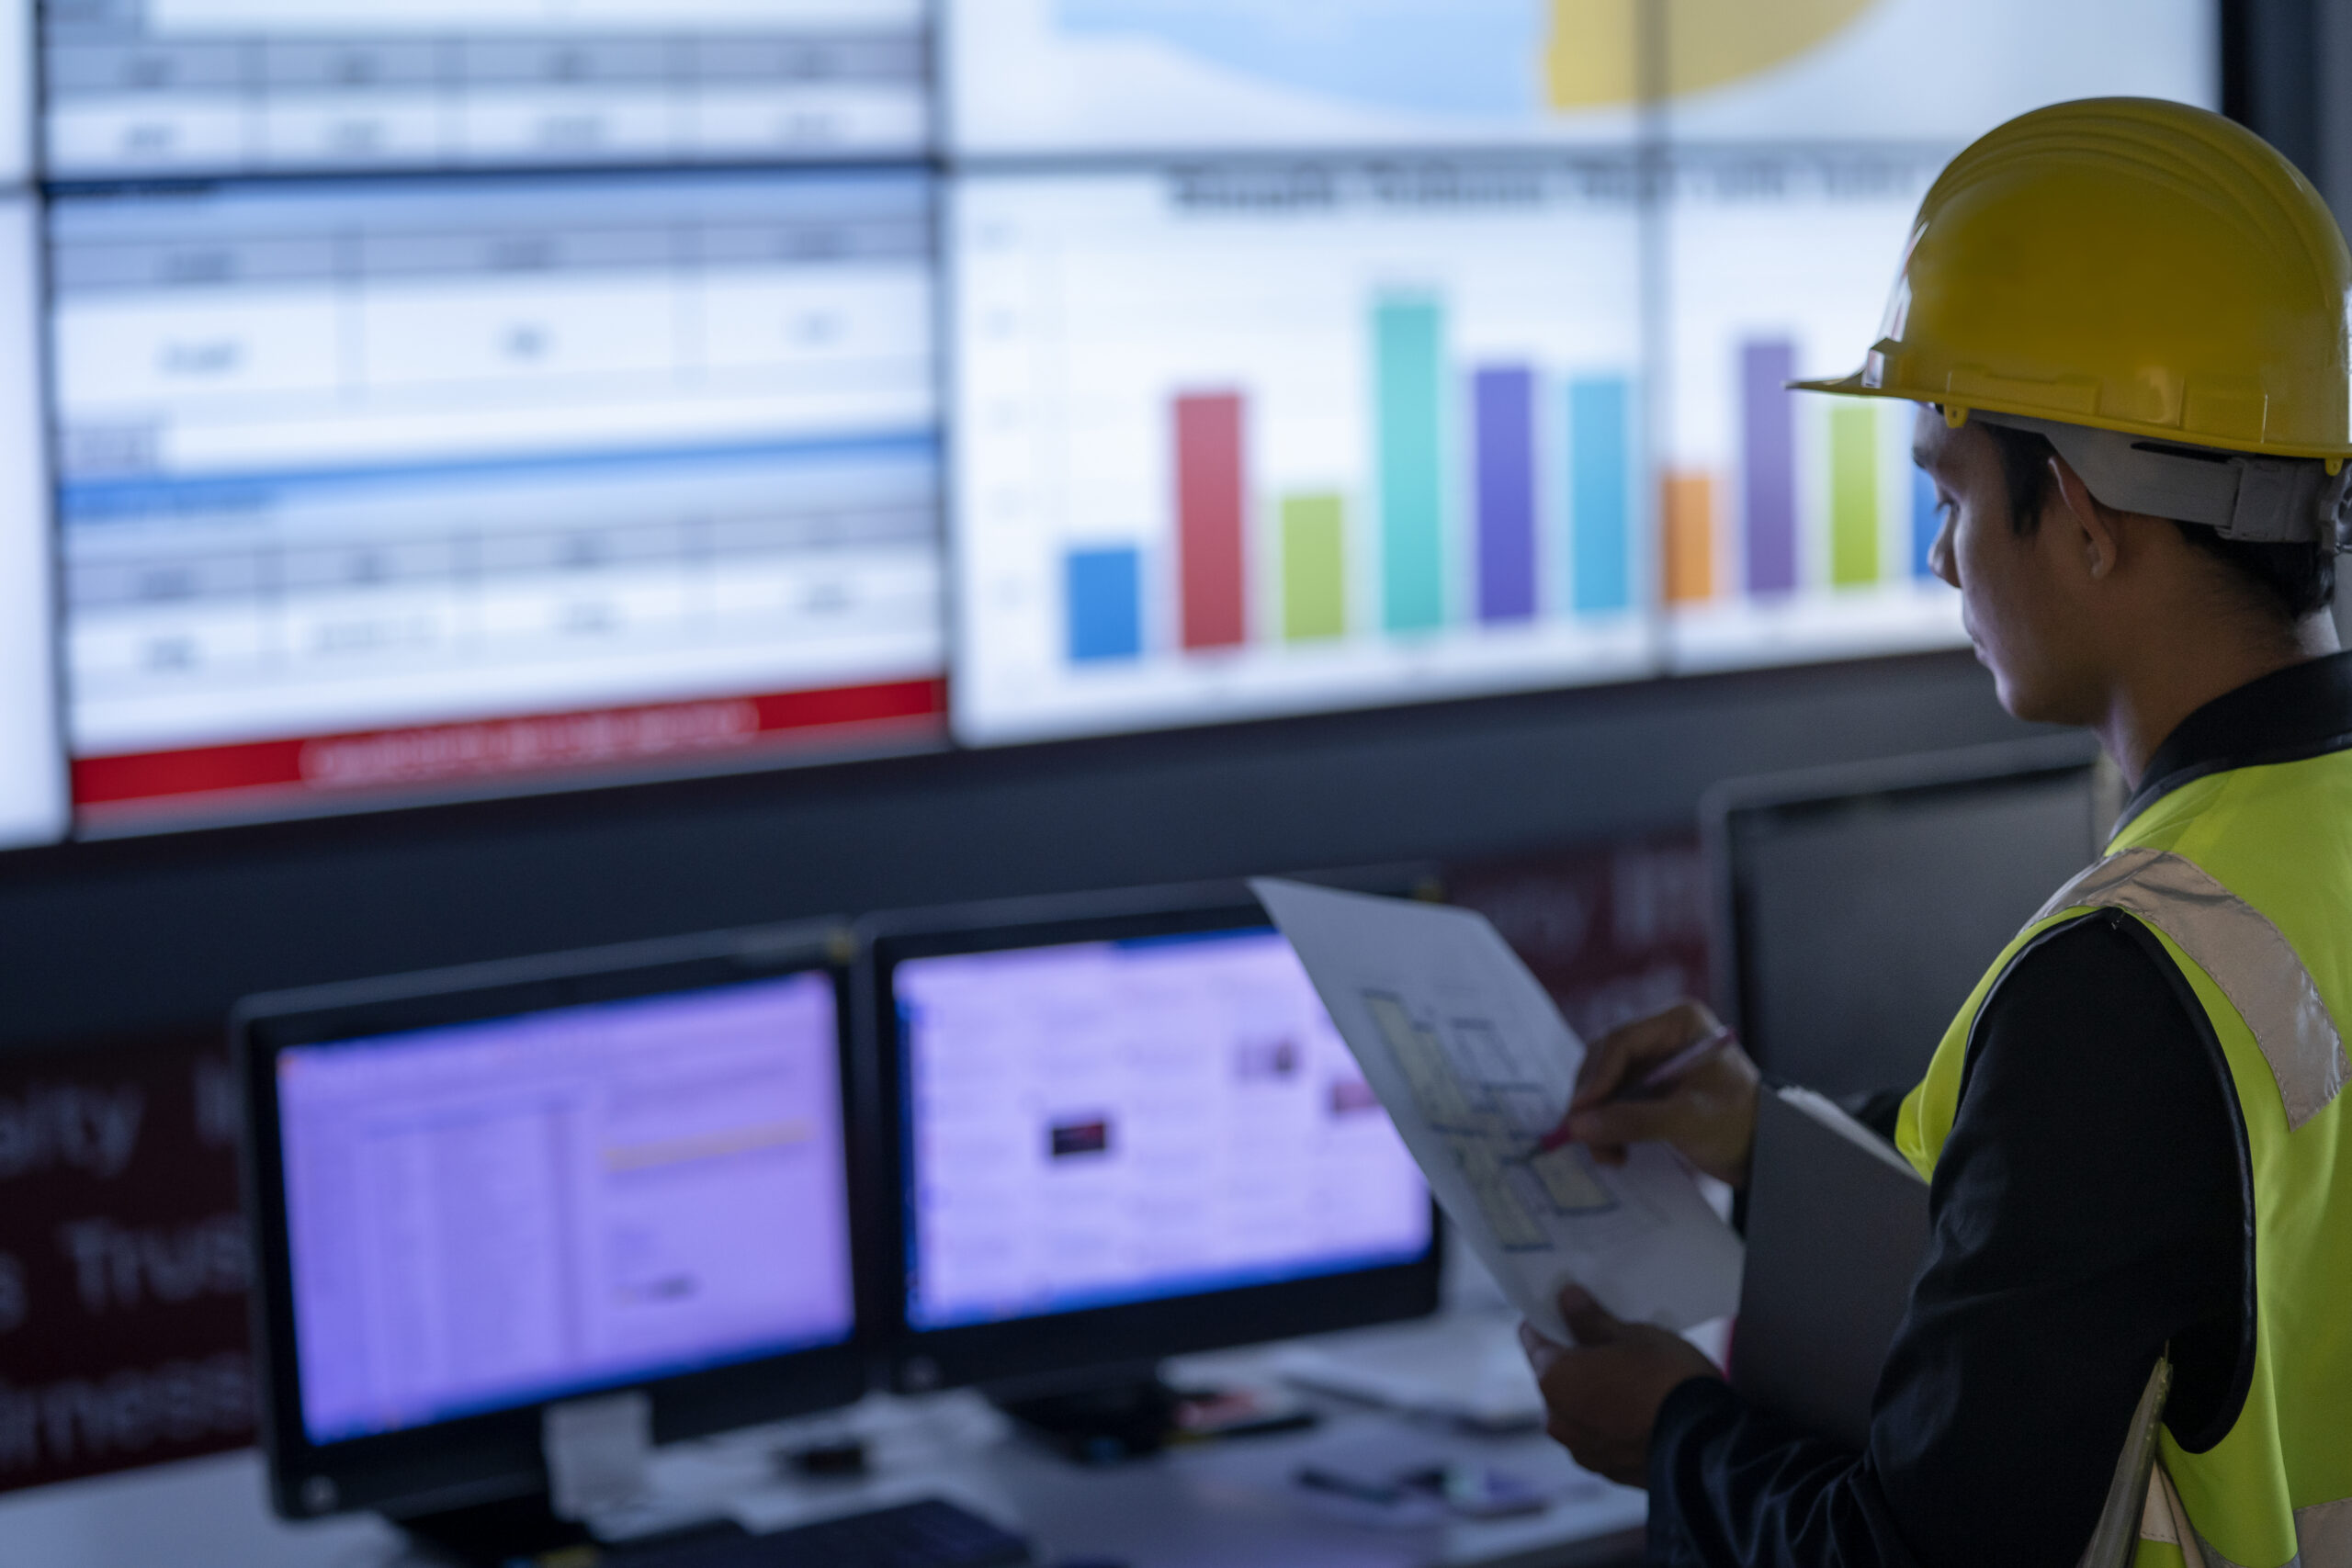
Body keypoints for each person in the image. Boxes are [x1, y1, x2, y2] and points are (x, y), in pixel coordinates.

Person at [1520, 97, 2352, 1568]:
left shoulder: (2132, 979)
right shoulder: (2290, 855)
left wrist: (1670, 1439)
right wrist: (1763, 1148)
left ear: (2085, 515)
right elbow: (2146, 1243)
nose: (1939, 554)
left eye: (1954, 491)